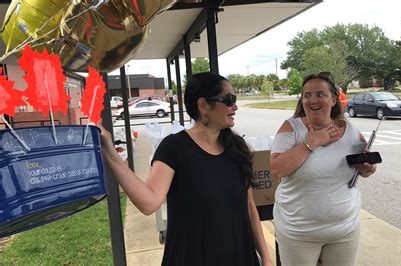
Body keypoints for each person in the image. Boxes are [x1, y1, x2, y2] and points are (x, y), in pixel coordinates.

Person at [98, 72, 273, 266]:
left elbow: (249, 208)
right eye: (228, 99)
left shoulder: (237, 147)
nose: (235, 106)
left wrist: (265, 257)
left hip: (241, 258)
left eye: (235, 98)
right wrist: (109, 152)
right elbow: (149, 202)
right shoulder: (174, 148)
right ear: (203, 106)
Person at [269, 72, 377, 266]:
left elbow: (364, 169)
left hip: (344, 230)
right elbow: (277, 170)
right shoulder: (291, 128)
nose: (312, 100)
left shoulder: (350, 129)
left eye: (320, 94)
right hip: (299, 233)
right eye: (307, 95)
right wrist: (311, 142)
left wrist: (367, 168)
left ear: (333, 99)